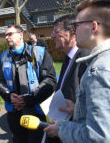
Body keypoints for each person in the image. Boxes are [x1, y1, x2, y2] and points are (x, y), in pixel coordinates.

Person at [44, 0, 110, 142]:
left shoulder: (99, 70)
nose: (74, 30)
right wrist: (79, 109)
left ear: (93, 27)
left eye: (77, 25)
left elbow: (98, 137)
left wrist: (61, 128)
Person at [0, 25, 56, 143]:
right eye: (5, 35)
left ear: (20, 35)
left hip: (35, 110)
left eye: (10, 34)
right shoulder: (3, 57)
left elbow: (50, 80)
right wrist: (9, 96)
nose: (7, 37)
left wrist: (28, 99)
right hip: (14, 111)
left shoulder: (39, 53)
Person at [46, 14, 89, 143]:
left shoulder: (85, 60)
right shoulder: (68, 57)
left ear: (72, 33)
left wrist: (77, 109)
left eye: (56, 31)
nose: (52, 36)